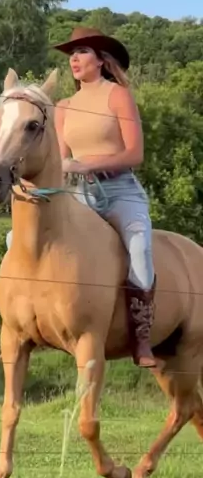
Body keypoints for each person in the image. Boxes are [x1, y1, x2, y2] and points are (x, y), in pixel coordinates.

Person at [53, 25, 156, 368]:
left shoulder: (117, 95)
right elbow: (61, 160)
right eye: (72, 54)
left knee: (139, 247)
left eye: (82, 52)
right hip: (78, 193)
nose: (74, 59)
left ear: (100, 60)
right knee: (27, 239)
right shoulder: (63, 107)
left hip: (120, 190)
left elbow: (134, 154)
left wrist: (87, 163)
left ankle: (141, 337)